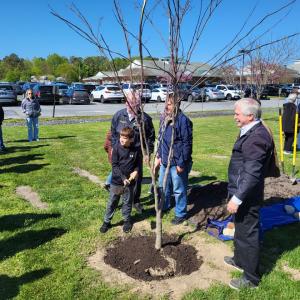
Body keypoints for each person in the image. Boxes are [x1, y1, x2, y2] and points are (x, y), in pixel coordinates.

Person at [225, 98, 276, 290]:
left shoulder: (257, 137)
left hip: (246, 195)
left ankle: (251, 279)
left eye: (237, 113)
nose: (235, 117)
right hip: (241, 190)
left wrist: (237, 198)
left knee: (248, 233)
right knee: (241, 228)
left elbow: (252, 173)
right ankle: (240, 260)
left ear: (250, 116)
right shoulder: (251, 130)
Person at [111, 91, 155, 213]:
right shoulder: (118, 116)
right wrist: (115, 148)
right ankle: (116, 199)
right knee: (119, 175)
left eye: (132, 102)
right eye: (127, 101)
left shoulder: (145, 119)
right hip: (121, 154)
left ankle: (135, 200)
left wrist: (147, 153)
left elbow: (150, 138)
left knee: (136, 179)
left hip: (137, 155)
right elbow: (113, 134)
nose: (128, 104)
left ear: (138, 104)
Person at [155, 94, 193, 225]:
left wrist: (181, 163)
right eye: (166, 103)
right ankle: (164, 206)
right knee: (162, 186)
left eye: (170, 104)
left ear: (177, 105)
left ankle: (180, 213)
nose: (166, 106)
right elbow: (160, 138)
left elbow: (187, 144)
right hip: (165, 161)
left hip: (177, 162)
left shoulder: (183, 121)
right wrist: (159, 155)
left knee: (179, 189)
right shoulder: (164, 118)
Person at [100, 127, 141, 233]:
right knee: (112, 202)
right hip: (117, 182)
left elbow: (137, 164)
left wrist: (136, 171)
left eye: (124, 138)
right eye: (121, 137)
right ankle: (106, 222)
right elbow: (115, 166)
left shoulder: (136, 150)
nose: (121, 139)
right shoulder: (116, 148)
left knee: (127, 202)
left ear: (131, 139)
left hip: (130, 183)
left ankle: (127, 220)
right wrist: (123, 178)